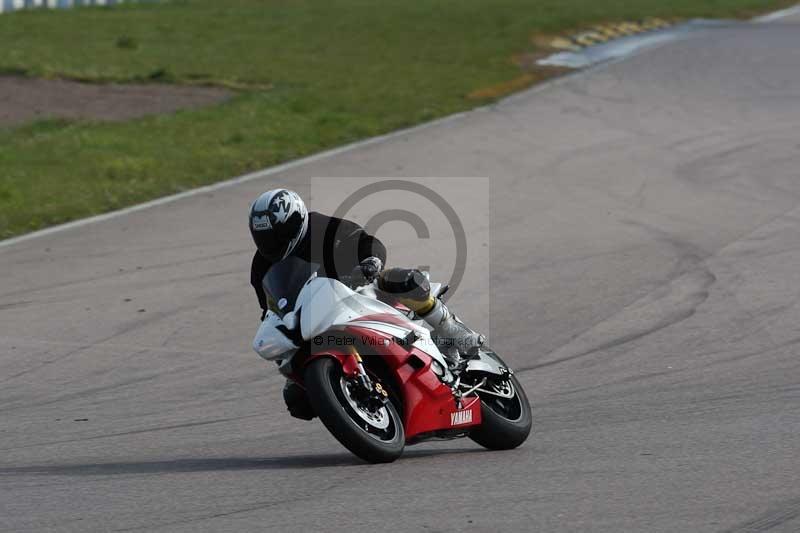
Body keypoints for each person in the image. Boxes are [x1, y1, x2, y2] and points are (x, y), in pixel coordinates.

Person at [249, 188, 483, 419]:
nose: (273, 243)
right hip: (314, 318)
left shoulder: (320, 226)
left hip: (357, 288)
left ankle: (449, 328)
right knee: (297, 401)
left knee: (399, 280)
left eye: (279, 234)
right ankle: (351, 397)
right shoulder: (261, 266)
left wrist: (370, 262)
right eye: (265, 238)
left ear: (297, 221)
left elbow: (365, 241)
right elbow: (270, 308)